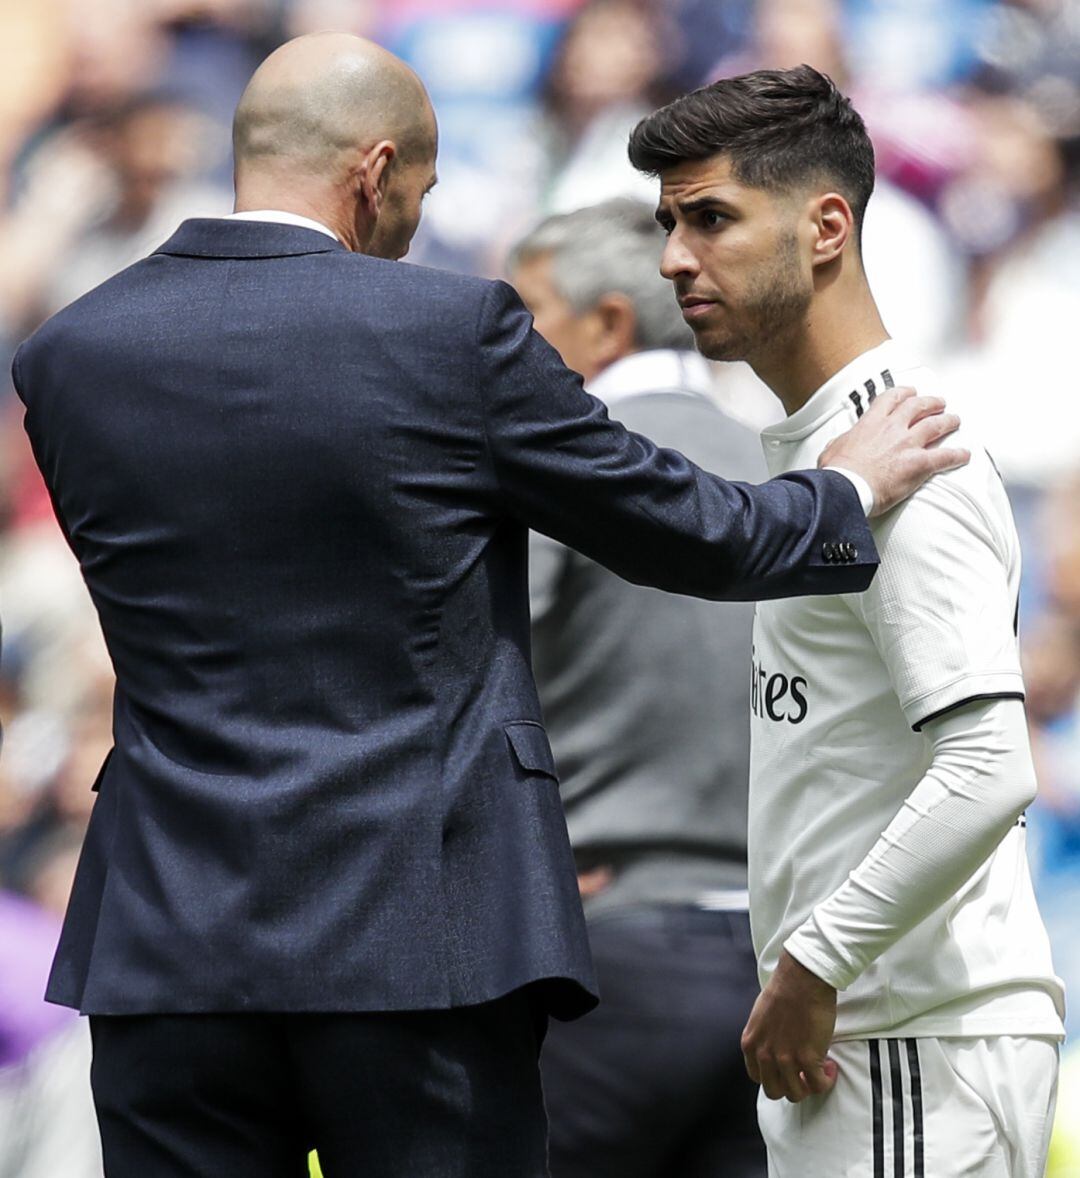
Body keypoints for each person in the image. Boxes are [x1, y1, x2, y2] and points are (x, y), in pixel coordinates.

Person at [14, 33, 964, 1178]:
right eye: (417, 192)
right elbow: (696, 532)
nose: (413, 221)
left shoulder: (70, 355)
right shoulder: (448, 333)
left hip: (166, 934)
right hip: (424, 933)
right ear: (373, 172)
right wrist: (847, 483)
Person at [628, 65, 1065, 1177]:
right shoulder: (829, 453)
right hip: (866, 1038)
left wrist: (811, 965)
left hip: (916, 1036)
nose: (676, 257)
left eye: (712, 217)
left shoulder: (910, 454)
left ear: (827, 226)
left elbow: (990, 763)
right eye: (668, 223)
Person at [509, 198, 766, 1177]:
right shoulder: (779, 471)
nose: (508, 343)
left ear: (608, 322)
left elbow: (462, 672)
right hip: (772, 967)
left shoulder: (560, 464)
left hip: (607, 951)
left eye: (526, 313)